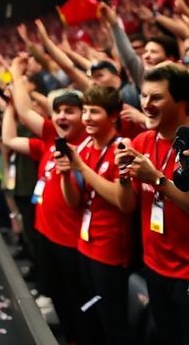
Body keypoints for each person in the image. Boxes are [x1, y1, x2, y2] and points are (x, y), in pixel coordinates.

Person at [1, 89, 86, 343]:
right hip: (46, 234)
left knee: (75, 299)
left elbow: (27, 113)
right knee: (56, 292)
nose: (61, 116)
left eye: (69, 111)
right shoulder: (49, 142)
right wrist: (9, 105)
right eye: (58, 111)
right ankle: (67, 333)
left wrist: (17, 77)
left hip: (71, 242)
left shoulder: (82, 145)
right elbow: (9, 138)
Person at [114, 63, 189, 345]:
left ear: (182, 101)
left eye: (156, 97)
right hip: (154, 267)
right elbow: (127, 205)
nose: (146, 104)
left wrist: (156, 179)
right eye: (144, 96)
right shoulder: (143, 141)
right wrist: (123, 177)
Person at [55, 86, 133, 345]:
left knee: (113, 322)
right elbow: (74, 201)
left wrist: (81, 168)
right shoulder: (86, 146)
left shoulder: (121, 149)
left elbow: (124, 202)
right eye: (85, 110)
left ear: (113, 116)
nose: (87, 117)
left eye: (94, 112)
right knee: (92, 317)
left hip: (110, 250)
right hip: (85, 244)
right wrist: (66, 173)